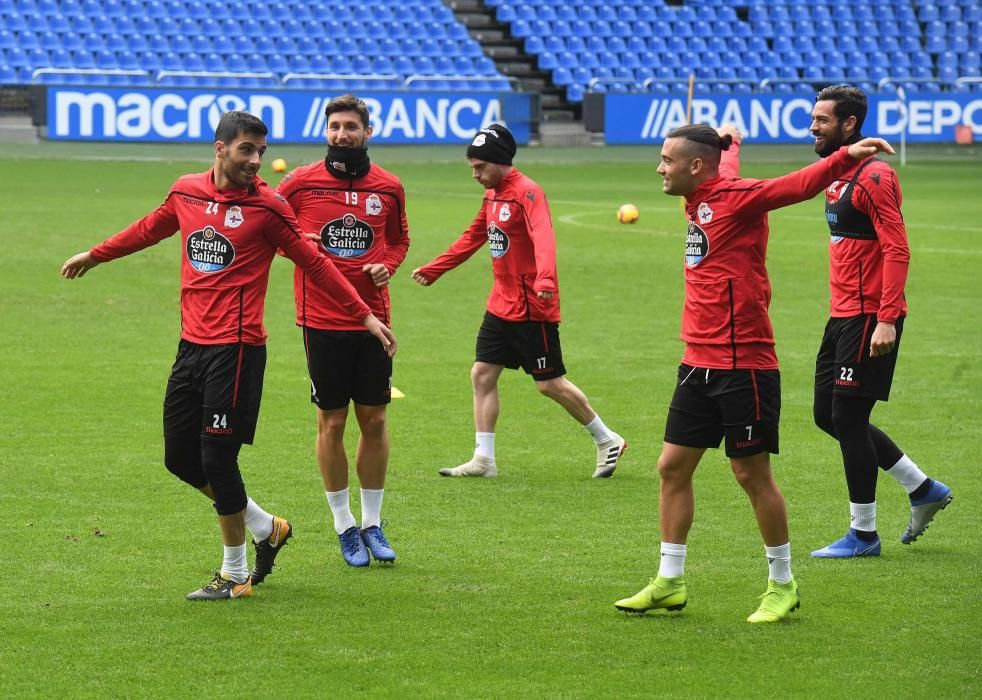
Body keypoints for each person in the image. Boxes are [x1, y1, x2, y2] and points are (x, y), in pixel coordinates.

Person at [60, 111, 396, 600]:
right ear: (220, 149)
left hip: (237, 350)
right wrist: (96, 254)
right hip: (191, 345)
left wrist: (364, 315)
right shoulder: (186, 192)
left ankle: (235, 574)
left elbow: (316, 264)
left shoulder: (269, 207)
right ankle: (267, 527)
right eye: (246, 151)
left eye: (261, 151)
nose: (256, 161)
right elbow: (150, 228)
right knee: (179, 457)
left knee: (217, 457)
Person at [613, 123, 895, 623]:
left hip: (743, 364)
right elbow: (724, 174)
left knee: (750, 473)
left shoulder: (740, 199)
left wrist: (846, 154)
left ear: (695, 166)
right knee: (671, 468)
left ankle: (782, 585)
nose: (659, 167)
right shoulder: (700, 197)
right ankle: (670, 582)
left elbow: (797, 185)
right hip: (696, 360)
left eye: (666, 160)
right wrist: (732, 144)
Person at [411, 123, 625, 479]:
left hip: (531, 304)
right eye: (472, 168)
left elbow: (543, 235)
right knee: (482, 373)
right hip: (501, 303)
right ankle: (484, 459)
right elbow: (472, 237)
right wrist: (436, 269)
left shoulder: (528, 193)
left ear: (499, 162)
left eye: (480, 167)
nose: (476, 175)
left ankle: (606, 439)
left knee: (549, 384)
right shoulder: (492, 195)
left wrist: (545, 279)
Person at [808, 86, 952, 559]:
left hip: (870, 316)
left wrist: (887, 319)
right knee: (826, 415)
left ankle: (864, 535)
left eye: (822, 120)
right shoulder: (837, 173)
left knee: (848, 417)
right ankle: (921, 487)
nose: (813, 127)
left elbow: (897, 247)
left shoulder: (875, 177)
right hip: (842, 313)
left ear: (849, 125)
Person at [276, 94, 409, 567]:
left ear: (368, 132)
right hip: (321, 321)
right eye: (334, 127)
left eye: (350, 127)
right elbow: (269, 231)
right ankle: (344, 526)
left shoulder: (389, 187)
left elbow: (399, 240)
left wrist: (387, 265)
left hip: (375, 320)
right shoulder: (299, 183)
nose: (341, 135)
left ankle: (372, 523)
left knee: (374, 420)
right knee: (331, 422)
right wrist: (297, 245)